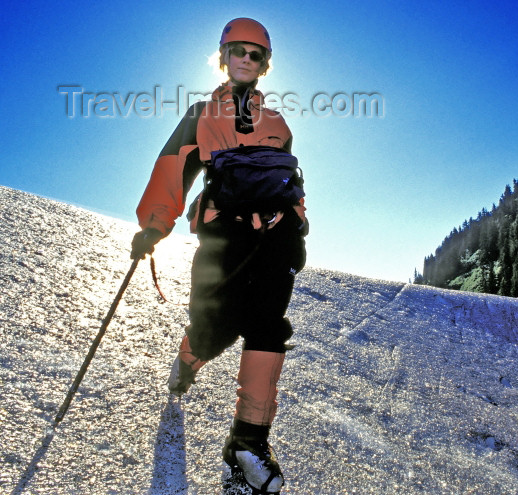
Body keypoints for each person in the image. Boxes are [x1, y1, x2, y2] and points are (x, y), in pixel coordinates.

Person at [130, 17, 307, 494]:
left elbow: (289, 182)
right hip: (221, 238)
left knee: (268, 325)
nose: (246, 60)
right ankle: (191, 355)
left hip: (272, 241)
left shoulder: (278, 123)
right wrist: (154, 224)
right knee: (216, 326)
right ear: (223, 56)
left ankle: (248, 442)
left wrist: (299, 226)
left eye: (255, 54)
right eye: (237, 51)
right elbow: (173, 169)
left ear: (265, 64)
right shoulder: (201, 113)